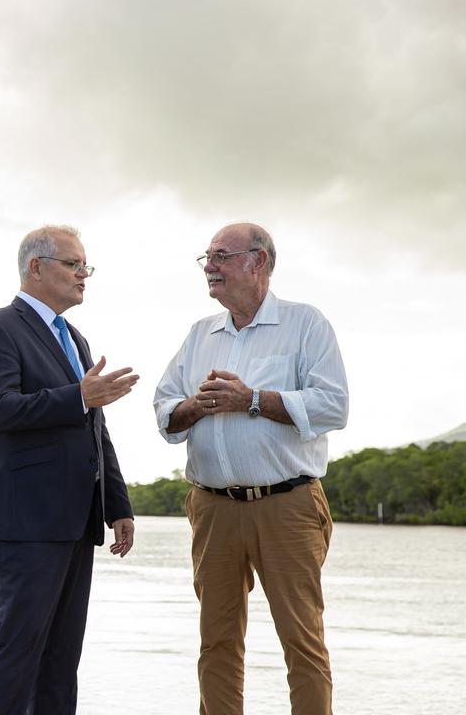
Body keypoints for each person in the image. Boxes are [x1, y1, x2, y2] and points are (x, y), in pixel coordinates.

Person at [153, 223, 349, 715]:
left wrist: (253, 400)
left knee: (301, 642)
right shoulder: (200, 334)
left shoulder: (306, 324)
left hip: (287, 506)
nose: (210, 267)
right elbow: (165, 409)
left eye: (220, 256)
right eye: (207, 258)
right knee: (216, 643)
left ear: (258, 262)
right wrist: (197, 406)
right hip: (212, 509)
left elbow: (332, 407)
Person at [0, 224, 138, 714]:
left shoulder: (75, 339)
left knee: (62, 657)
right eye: (73, 264)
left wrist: (117, 506)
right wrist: (77, 397)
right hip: (25, 520)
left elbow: (95, 430)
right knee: (17, 649)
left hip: (76, 519)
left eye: (87, 266)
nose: (84, 274)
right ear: (36, 267)